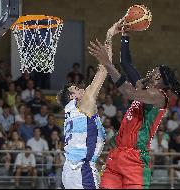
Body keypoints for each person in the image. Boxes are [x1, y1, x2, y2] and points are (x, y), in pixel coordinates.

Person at [89, 19, 180, 189]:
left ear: (158, 78)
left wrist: (108, 64)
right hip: (118, 154)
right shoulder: (144, 88)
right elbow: (126, 63)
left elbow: (128, 92)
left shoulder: (158, 96)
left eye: (153, 71)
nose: (149, 72)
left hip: (135, 160)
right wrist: (125, 36)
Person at [59, 34, 109, 189]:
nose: (81, 90)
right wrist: (109, 35)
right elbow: (104, 69)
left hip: (70, 170)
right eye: (77, 89)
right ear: (72, 96)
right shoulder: (82, 104)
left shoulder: (70, 111)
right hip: (81, 170)